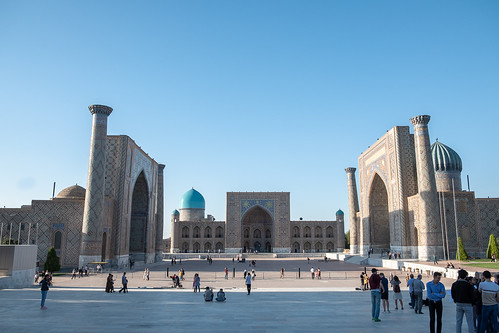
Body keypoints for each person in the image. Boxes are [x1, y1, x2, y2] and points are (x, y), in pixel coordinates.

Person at [451, 269, 475, 333]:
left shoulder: (455, 284)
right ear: (465, 276)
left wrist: (455, 300)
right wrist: (472, 303)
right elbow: (472, 295)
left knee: (458, 321)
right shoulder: (469, 285)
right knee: (470, 322)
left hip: (459, 303)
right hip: (468, 304)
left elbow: (453, 294)